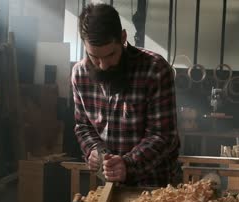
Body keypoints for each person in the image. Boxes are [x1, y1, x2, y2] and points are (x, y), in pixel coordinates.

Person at [71, 3, 180, 187]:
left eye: (110, 54)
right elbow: (83, 126)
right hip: (107, 186)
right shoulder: (79, 75)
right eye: (94, 57)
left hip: (152, 185)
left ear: (123, 37)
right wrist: (94, 151)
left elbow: (162, 135)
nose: (103, 65)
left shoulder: (154, 69)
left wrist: (128, 164)